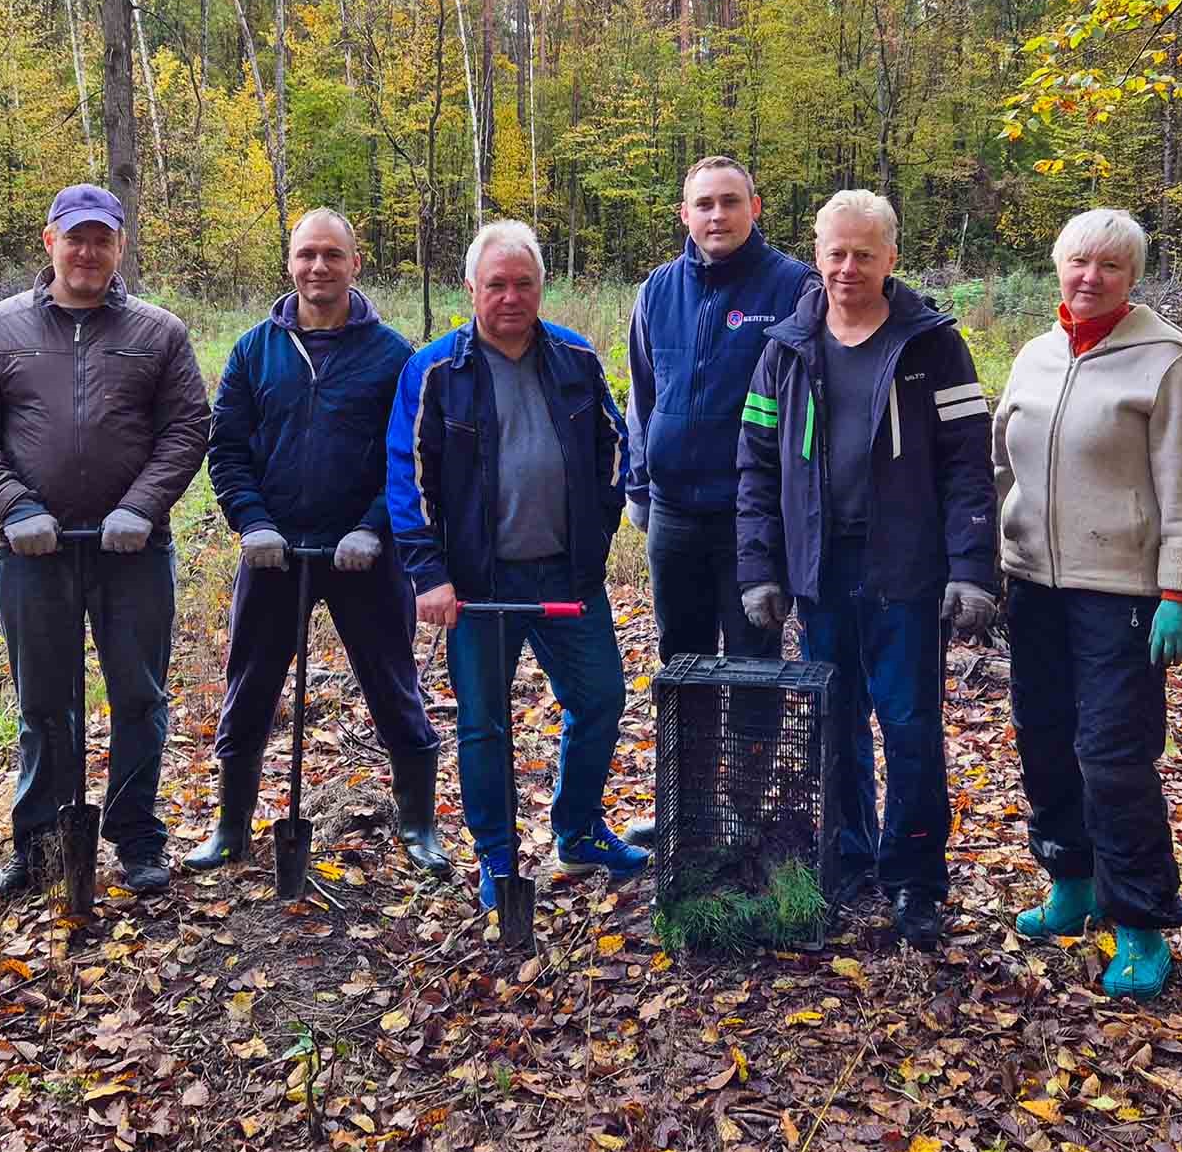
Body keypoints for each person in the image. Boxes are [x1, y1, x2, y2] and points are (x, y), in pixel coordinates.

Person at [735, 189, 998, 949]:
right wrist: (761, 568)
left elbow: (966, 465)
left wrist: (971, 566)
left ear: (891, 257)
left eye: (864, 253)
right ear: (816, 254)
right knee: (834, 725)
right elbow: (754, 467)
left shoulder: (931, 344)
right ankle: (848, 855)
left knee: (911, 728)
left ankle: (914, 879)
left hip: (905, 575)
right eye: (835, 252)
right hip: (819, 573)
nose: (848, 267)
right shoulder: (785, 345)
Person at [0, 183, 210, 900]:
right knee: (42, 702)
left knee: (139, 695)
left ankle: (136, 838)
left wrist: (143, 507)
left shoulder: (160, 332)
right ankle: (40, 843)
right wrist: (15, 506)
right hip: (35, 552)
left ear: (120, 246)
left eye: (102, 238)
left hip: (134, 553)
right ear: (49, 240)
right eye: (75, 236)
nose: (87, 251)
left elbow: (187, 428)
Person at [993, 207, 1182, 1000]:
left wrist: (1181, 591)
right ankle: (1072, 882)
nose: (1090, 277)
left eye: (1110, 267)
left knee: (1113, 756)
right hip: (1034, 583)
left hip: (1122, 592)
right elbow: (999, 466)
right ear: (1057, 266)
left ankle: (1141, 921)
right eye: (1078, 262)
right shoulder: (1035, 356)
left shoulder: (1165, 363)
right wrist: (974, 559)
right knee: (1044, 739)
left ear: (1133, 277)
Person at [387, 220, 648, 904]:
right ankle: (497, 857)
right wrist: (429, 573)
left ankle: (579, 829)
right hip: (477, 586)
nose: (510, 296)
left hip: (568, 578)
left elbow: (613, 448)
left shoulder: (575, 358)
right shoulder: (437, 370)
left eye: (523, 282)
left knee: (599, 700)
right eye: (495, 283)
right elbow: (407, 478)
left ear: (541, 286)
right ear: (471, 288)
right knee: (484, 721)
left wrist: (594, 530)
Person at [192, 209, 449, 877]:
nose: (319, 267)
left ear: (355, 262)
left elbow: (412, 456)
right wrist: (251, 520)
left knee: (394, 684)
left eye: (333, 254)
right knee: (249, 685)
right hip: (273, 552)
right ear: (290, 262)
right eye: (307, 254)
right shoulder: (256, 350)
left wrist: (372, 525)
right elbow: (226, 448)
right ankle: (229, 828)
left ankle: (419, 824)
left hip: (361, 555)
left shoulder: (393, 355)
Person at [619, 156, 813, 845]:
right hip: (674, 513)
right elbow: (642, 397)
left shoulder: (793, 286)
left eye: (730, 202)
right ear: (685, 214)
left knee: (754, 662)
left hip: (753, 519)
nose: (717, 215)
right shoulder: (658, 290)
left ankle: (744, 809)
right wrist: (640, 487)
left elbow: (808, 404)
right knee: (683, 662)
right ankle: (688, 802)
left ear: (754, 207)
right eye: (703, 203)